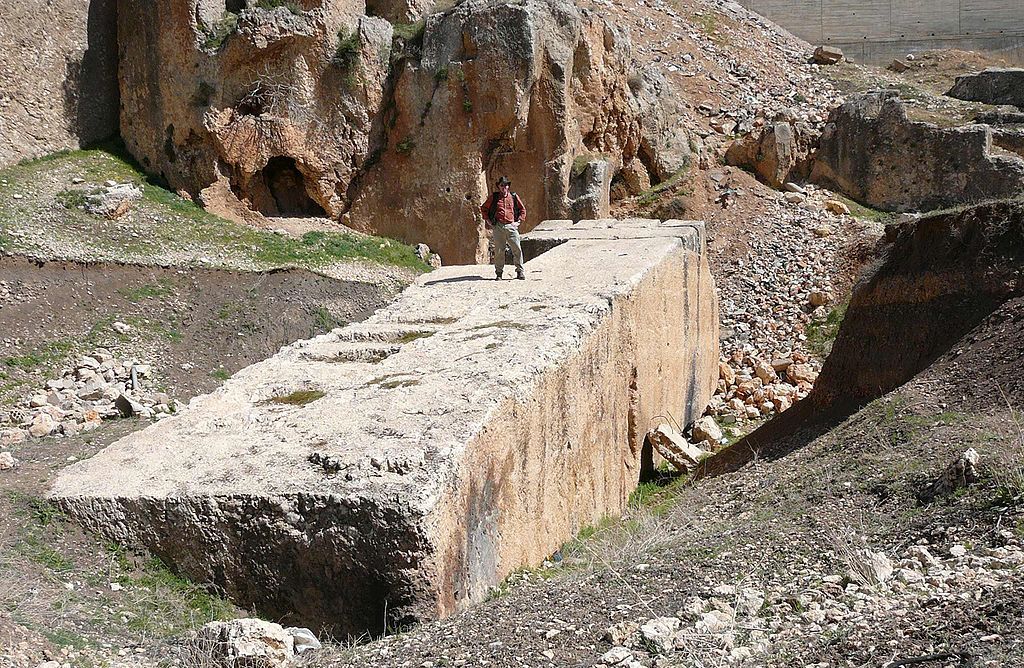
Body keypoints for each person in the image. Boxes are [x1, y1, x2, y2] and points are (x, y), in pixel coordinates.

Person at [479, 175, 526, 280]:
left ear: (508, 186)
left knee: (517, 249)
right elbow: (483, 208)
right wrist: (488, 221)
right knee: (499, 251)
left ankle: (520, 271)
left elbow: (522, 210)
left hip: (511, 226)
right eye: (501, 185)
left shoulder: (513, 196)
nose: (503, 187)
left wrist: (518, 222)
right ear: (499, 186)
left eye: (505, 185)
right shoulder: (494, 197)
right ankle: (499, 273)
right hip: (498, 226)